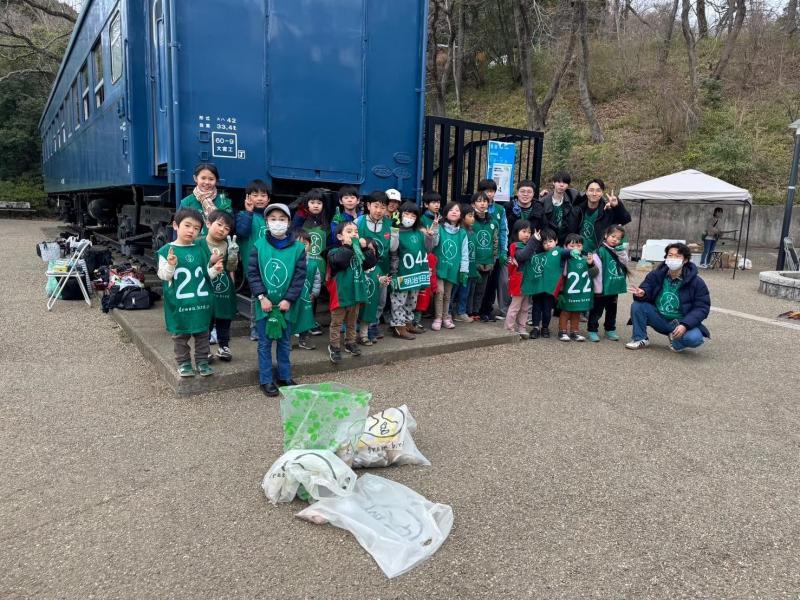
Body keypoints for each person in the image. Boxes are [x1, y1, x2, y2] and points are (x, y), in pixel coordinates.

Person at [248, 203, 307, 397]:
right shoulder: (258, 246)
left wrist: (289, 299)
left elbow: (299, 277)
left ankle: (285, 375)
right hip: (264, 304)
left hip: (286, 305)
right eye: (273, 219)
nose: (277, 223)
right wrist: (261, 297)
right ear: (266, 222)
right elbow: (253, 273)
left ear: (289, 222)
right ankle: (265, 379)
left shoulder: (298, 249)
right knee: (264, 343)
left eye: (282, 219)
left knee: (284, 342)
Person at [156, 208, 223, 378]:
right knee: (180, 336)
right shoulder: (166, 250)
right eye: (187, 225)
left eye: (196, 228)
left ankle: (202, 362)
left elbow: (204, 276)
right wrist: (171, 264)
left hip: (200, 302)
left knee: (202, 334)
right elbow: (164, 275)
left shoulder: (200, 249)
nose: (191, 230)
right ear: (175, 225)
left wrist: (215, 270)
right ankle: (184, 363)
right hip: (179, 304)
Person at [626, 243, 710, 352]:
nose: (673, 258)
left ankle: (676, 342)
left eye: (678, 256)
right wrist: (643, 293)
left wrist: (685, 325)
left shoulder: (696, 282)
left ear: (685, 260)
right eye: (670, 255)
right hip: (659, 318)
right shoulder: (656, 274)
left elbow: (702, 307)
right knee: (638, 306)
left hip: (680, 322)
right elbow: (646, 288)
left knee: (695, 339)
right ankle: (640, 338)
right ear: (666, 257)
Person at [326, 221, 378, 363]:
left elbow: (371, 262)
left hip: (356, 294)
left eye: (356, 231)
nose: (354, 234)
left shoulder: (359, 252)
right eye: (349, 232)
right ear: (339, 237)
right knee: (336, 323)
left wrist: (365, 248)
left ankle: (350, 342)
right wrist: (349, 245)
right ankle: (334, 346)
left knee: (352, 321)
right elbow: (340, 261)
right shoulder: (334, 252)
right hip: (340, 295)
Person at [389, 201, 439, 339]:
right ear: (400, 214)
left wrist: (431, 234)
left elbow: (429, 248)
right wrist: (394, 232)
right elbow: (392, 249)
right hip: (401, 272)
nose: (409, 217)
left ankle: (408, 322)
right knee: (399, 300)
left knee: (412, 299)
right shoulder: (395, 230)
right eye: (406, 214)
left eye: (413, 215)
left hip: (416, 272)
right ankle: (398, 327)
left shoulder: (419, 231)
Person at [235, 179, 271, 341]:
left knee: (272, 295)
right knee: (257, 296)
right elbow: (242, 232)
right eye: (255, 195)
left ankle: (270, 324)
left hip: (271, 264)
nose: (260, 198)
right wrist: (249, 212)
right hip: (254, 265)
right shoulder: (243, 215)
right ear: (248, 197)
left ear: (269, 199)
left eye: (263, 195)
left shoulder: (271, 217)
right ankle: (255, 328)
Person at [289, 188, 328, 337]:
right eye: (312, 202)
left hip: (318, 263)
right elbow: (292, 231)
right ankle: (297, 322)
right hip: (302, 262)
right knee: (300, 294)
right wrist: (300, 210)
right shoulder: (301, 219)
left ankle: (310, 321)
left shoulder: (325, 221)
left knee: (313, 295)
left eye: (319, 202)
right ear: (307, 204)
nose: (316, 205)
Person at [356, 191, 393, 344]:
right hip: (363, 271)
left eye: (383, 207)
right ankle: (359, 329)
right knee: (362, 300)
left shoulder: (389, 224)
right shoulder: (359, 222)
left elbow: (393, 249)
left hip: (382, 270)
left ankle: (373, 326)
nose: (379, 210)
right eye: (376, 206)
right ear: (368, 205)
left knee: (380, 301)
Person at [204, 210, 239, 361]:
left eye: (226, 229)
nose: (222, 230)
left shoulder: (227, 244)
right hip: (205, 288)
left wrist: (232, 257)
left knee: (224, 318)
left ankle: (224, 346)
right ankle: (203, 348)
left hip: (224, 288)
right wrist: (209, 260)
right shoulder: (200, 243)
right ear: (208, 224)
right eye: (219, 225)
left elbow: (231, 268)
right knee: (207, 319)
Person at [587, 225, 630, 342]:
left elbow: (625, 262)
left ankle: (610, 329)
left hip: (613, 287)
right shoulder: (599, 251)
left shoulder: (619, 250)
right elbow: (596, 272)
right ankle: (592, 329)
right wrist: (597, 288)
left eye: (618, 238)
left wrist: (621, 252)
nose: (615, 239)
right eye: (613, 236)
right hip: (601, 288)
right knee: (597, 311)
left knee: (612, 310)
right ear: (606, 235)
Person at [432, 202, 469, 331]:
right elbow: (434, 243)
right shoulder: (440, 228)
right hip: (439, 267)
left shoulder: (463, 233)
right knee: (439, 292)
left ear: (460, 215)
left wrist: (464, 270)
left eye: (457, 210)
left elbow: (464, 253)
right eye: (451, 210)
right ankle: (437, 318)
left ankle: (445, 317)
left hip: (453, 268)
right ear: (446, 213)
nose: (454, 212)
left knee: (448, 294)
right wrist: (435, 228)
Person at [478, 178, 510, 321]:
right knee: (478, 283)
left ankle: (487, 310)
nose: (488, 195)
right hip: (479, 254)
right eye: (485, 191)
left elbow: (504, 231)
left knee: (491, 283)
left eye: (491, 191)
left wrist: (503, 252)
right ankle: (474, 310)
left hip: (495, 254)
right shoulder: (475, 208)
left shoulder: (500, 210)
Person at [521, 228, 561, 339]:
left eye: (550, 241)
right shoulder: (537, 254)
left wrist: (573, 252)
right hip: (537, 286)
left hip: (550, 287)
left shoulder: (559, 253)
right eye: (544, 242)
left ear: (556, 241)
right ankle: (535, 327)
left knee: (548, 308)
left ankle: (545, 327)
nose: (548, 244)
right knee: (536, 307)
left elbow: (567, 253)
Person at [557, 233, 598, 341]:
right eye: (572, 246)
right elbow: (560, 255)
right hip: (567, 290)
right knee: (565, 311)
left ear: (582, 247)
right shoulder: (564, 258)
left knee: (577, 312)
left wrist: (591, 264)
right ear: (566, 247)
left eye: (578, 246)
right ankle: (562, 331)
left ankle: (574, 332)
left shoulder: (585, 258)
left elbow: (594, 274)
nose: (575, 248)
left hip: (580, 291)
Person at [574, 178, 631, 255]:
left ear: (602, 193)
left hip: (599, 255)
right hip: (579, 253)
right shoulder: (578, 209)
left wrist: (617, 206)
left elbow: (626, 219)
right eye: (591, 190)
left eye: (598, 190)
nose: (594, 193)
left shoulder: (607, 210)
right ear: (586, 192)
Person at [179, 163, 233, 235]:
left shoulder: (224, 202)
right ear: (195, 178)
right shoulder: (186, 202)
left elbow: (229, 225)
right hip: (194, 244)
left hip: (218, 244)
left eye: (211, 179)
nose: (207, 182)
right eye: (203, 178)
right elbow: (180, 227)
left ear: (216, 180)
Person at [470, 192, 499, 322]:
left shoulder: (492, 221)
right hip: (473, 261)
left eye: (485, 201)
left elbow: (495, 242)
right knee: (471, 288)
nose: (482, 204)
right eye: (479, 201)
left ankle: (477, 311)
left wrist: (493, 259)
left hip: (487, 261)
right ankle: (468, 311)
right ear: (473, 204)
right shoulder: (470, 221)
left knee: (482, 289)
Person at [292, 230, 322, 351]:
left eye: (305, 244)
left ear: (310, 245)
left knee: (305, 318)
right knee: (290, 318)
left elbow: (317, 279)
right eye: (297, 243)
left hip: (306, 298)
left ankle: (303, 340)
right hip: (291, 298)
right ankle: (285, 342)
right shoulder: (290, 261)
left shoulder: (313, 264)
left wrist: (314, 293)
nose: (301, 246)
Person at [534, 171, 581, 245]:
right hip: (550, 241)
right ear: (553, 183)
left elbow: (590, 197)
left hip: (568, 241)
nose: (561, 185)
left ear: (568, 185)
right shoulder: (544, 201)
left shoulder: (573, 198)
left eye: (565, 183)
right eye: (558, 182)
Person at [504, 220, 533, 339]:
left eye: (529, 232)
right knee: (515, 306)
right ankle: (509, 328)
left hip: (527, 280)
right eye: (524, 231)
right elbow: (523, 256)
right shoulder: (515, 245)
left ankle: (522, 327)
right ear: (516, 232)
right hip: (518, 280)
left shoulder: (529, 246)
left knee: (525, 307)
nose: (527, 234)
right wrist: (534, 242)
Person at [452, 204, 477, 322]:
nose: (473, 218)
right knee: (455, 290)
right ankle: (452, 312)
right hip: (459, 267)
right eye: (470, 216)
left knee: (465, 292)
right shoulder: (460, 231)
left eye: (473, 216)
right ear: (462, 217)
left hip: (470, 267)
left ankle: (461, 311)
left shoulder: (472, 231)